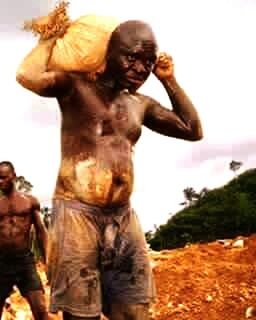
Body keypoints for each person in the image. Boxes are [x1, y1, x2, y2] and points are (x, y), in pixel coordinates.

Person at [16, 20, 203, 320]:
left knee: (133, 310)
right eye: (132, 58)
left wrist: (169, 80)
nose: (141, 68)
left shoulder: (139, 104)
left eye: (148, 62)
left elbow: (192, 129)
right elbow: (28, 75)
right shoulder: (75, 87)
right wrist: (49, 37)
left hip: (122, 217)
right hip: (77, 215)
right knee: (81, 314)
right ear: (110, 53)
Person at [0, 161, 49, 320]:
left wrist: (48, 261)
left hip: (24, 262)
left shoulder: (30, 202)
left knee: (40, 310)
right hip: (1, 263)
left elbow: (42, 232)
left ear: (14, 176)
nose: (0, 182)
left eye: (4, 178)